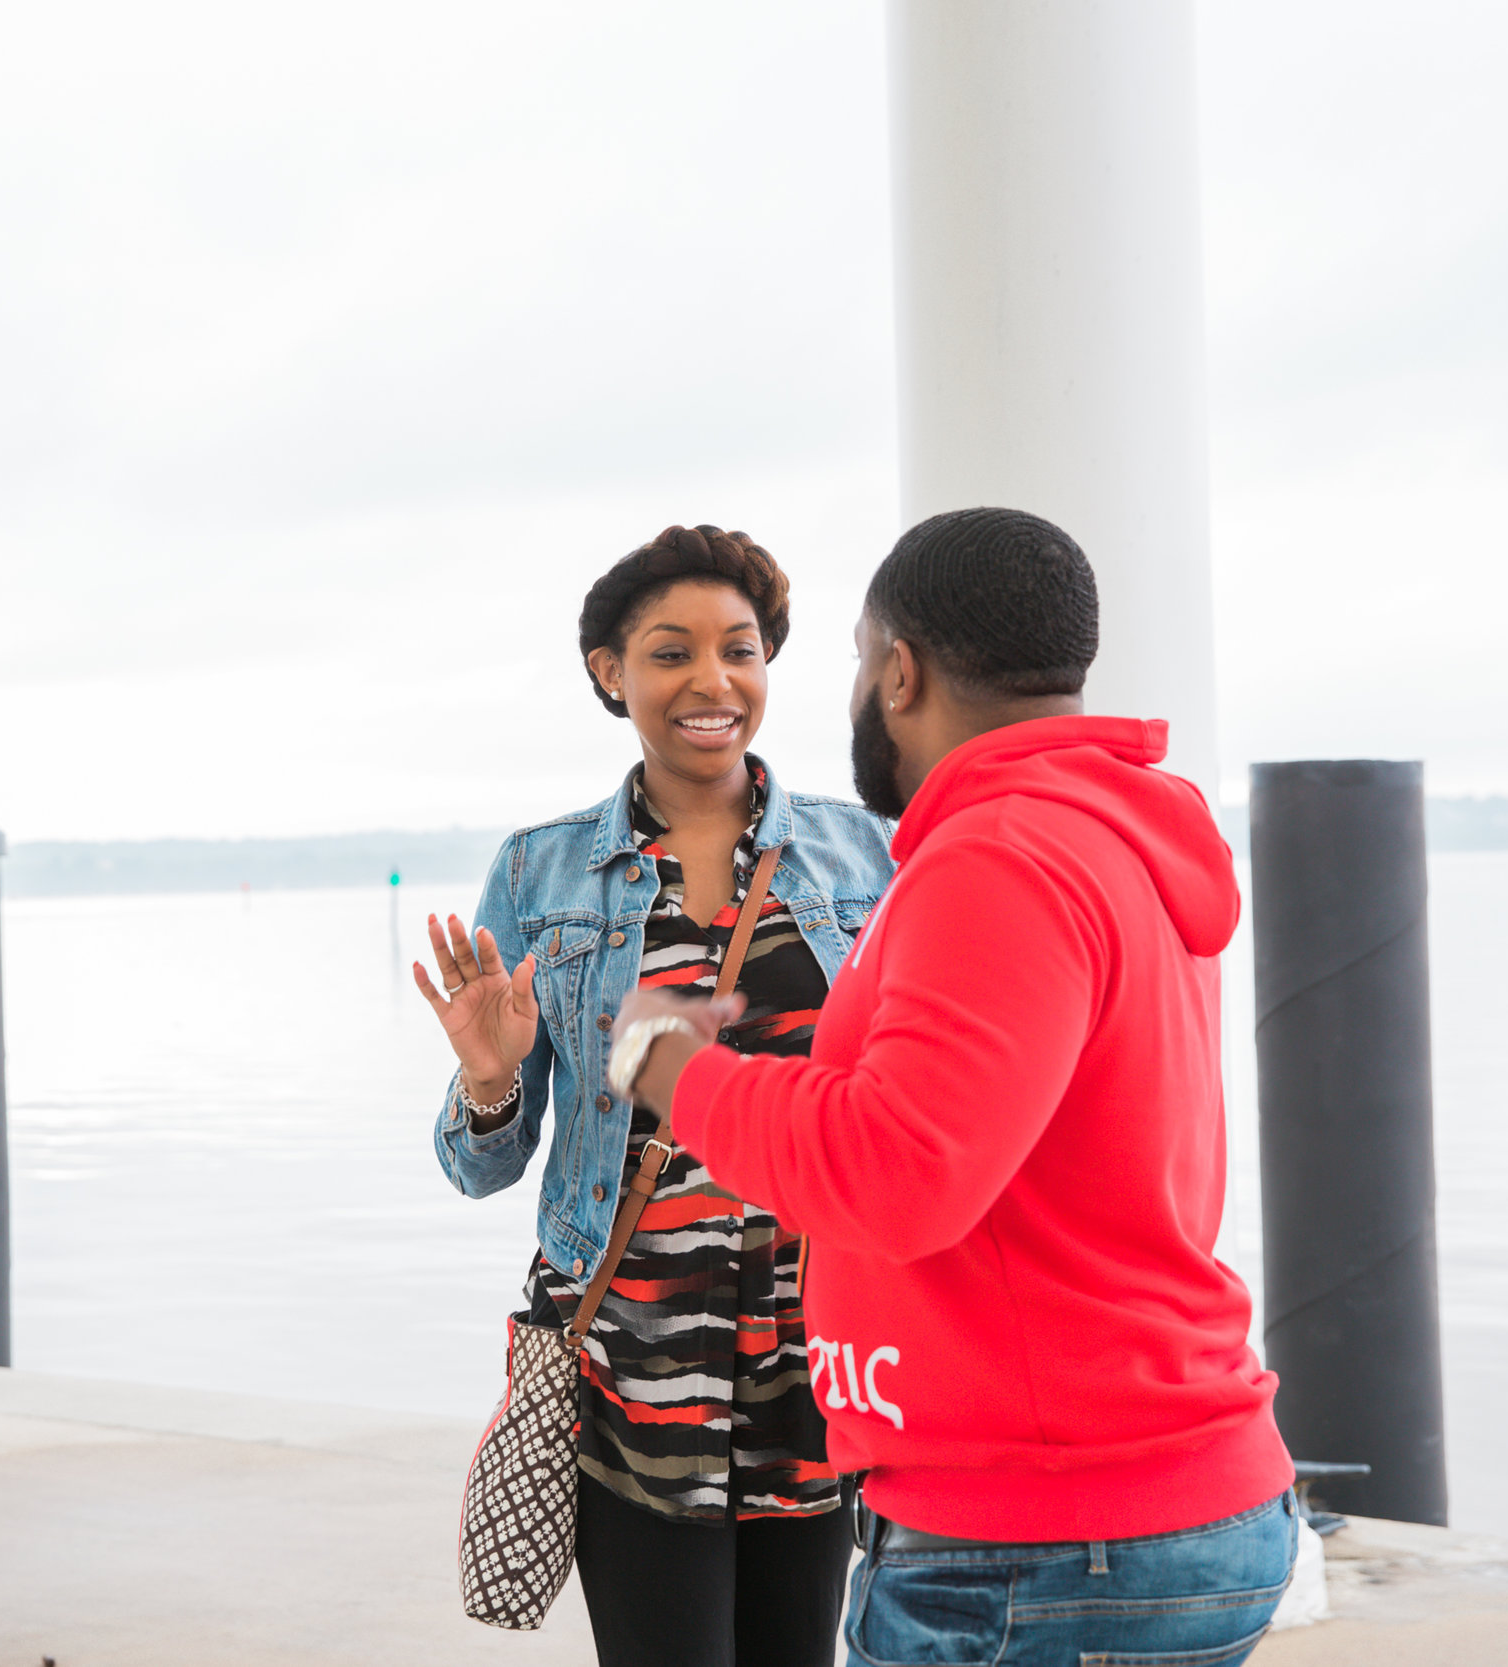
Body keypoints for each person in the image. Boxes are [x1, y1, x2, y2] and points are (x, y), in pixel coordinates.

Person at [608, 507, 1298, 1667]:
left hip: (1042, 1542)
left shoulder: (995, 855)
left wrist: (671, 1068)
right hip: (1140, 1500)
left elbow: (899, 1170)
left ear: (899, 669)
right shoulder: (1108, 835)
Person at [418, 524, 895, 1667]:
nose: (711, 682)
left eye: (740, 648)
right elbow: (482, 1161)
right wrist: (488, 1078)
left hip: (813, 1361)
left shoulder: (867, 855)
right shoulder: (542, 871)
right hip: (629, 1372)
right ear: (609, 670)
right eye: (671, 652)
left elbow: (899, 1110)